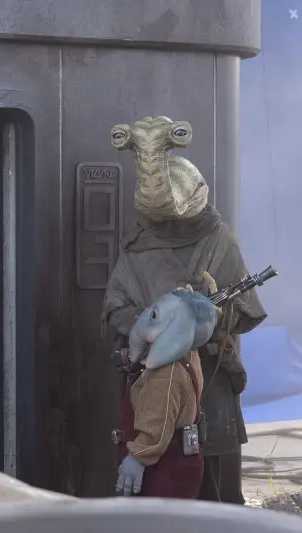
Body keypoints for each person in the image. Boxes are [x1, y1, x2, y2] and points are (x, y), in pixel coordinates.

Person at [103, 116, 266, 503]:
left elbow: (244, 311)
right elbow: (114, 308)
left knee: (216, 496)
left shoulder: (217, 239)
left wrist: (207, 316)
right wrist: (153, 324)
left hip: (207, 379)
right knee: (155, 484)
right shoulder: (137, 246)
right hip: (152, 376)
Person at [113, 284, 219, 498]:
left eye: (154, 315)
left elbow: (157, 423)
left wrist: (138, 457)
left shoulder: (166, 372)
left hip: (162, 471)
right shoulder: (189, 354)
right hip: (180, 463)